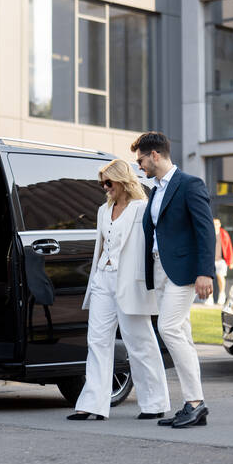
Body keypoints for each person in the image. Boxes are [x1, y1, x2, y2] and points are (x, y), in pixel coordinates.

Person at [68, 159, 170, 421]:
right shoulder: (104, 210)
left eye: (109, 182)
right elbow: (103, 246)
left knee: (140, 342)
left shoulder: (142, 208)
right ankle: (93, 405)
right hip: (103, 278)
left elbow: (153, 247)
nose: (105, 187)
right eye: (102, 183)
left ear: (123, 181)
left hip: (130, 283)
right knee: (97, 341)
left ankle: (154, 403)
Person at [133, 132, 215, 428]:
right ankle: (193, 404)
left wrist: (206, 271)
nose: (139, 165)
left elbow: (205, 230)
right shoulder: (155, 190)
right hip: (160, 269)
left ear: (154, 155)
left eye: (140, 159)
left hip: (183, 271)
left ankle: (195, 403)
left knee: (168, 328)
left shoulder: (189, 184)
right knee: (183, 334)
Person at [213, 219, 233, 304]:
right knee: (209, 279)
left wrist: (231, 261)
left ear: (220, 224)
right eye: (214, 224)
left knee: (220, 277)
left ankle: (222, 294)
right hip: (211, 260)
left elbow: (229, 247)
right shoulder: (209, 233)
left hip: (221, 260)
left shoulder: (224, 234)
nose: (215, 225)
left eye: (217, 224)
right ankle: (209, 298)